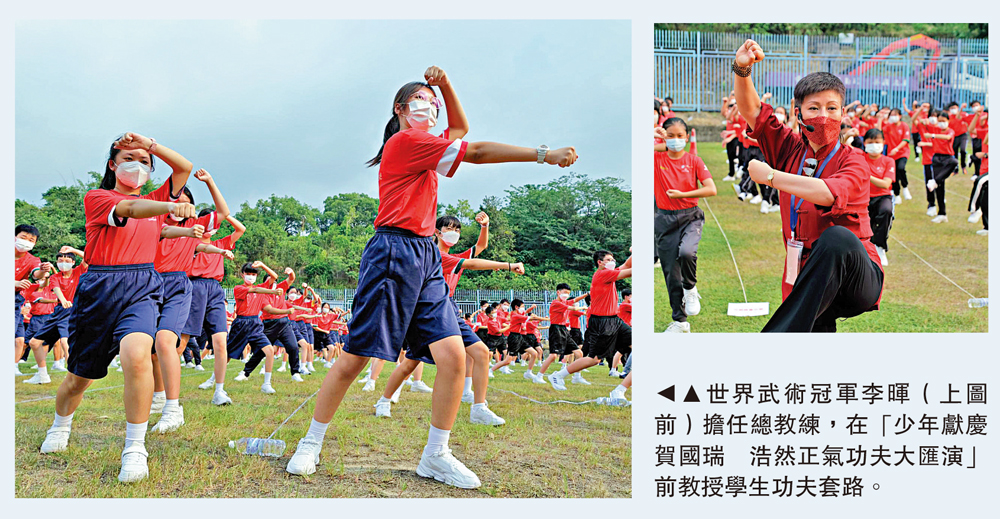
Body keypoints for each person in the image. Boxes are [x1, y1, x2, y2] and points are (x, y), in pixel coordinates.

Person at [284, 66, 576, 488]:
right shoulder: (405, 142)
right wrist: (542, 154)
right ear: (400, 109)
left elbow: (459, 126)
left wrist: (445, 86)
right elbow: (472, 149)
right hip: (393, 252)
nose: (431, 108)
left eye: (432, 103)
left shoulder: (427, 142)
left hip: (425, 255)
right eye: (422, 100)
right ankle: (311, 442)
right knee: (355, 357)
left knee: (454, 356)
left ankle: (436, 455)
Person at [39, 132, 195, 483]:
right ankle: (60, 425)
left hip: (142, 285)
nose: (136, 165)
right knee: (79, 379)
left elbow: (184, 167)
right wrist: (170, 208)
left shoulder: (156, 197)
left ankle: (134, 448)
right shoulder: (99, 197)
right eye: (128, 158)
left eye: (144, 161)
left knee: (137, 353)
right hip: (100, 288)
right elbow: (131, 209)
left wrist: (150, 144)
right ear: (113, 164)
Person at [732, 40, 884, 333]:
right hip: (806, 272)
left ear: (843, 114)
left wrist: (771, 177)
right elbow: (752, 111)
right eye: (814, 108)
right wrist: (742, 69)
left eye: (832, 108)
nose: (823, 117)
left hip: (856, 278)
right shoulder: (790, 149)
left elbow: (828, 192)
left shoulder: (854, 161)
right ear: (798, 111)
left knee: (836, 238)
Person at [375, 213, 515, 425]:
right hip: (429, 311)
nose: (455, 233)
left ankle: (479, 408)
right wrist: (508, 265)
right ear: (437, 232)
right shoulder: (433, 255)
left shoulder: (456, 256)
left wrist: (485, 226)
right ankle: (384, 400)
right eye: (450, 229)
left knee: (481, 352)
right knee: (410, 362)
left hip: (450, 308)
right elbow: (471, 263)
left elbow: (480, 247)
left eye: (458, 230)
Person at [148, 169, 232, 432]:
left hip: (178, 285)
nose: (180, 208)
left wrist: (210, 181)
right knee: (151, 351)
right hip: (150, 283)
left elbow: (222, 212)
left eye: (185, 204)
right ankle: (160, 396)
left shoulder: (195, 228)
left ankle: (173, 408)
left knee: (166, 341)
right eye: (175, 203)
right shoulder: (155, 222)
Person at [653, 117, 716, 333]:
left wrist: (684, 194)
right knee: (671, 273)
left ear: (687, 138)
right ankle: (680, 322)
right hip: (664, 220)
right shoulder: (656, 158)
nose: (675, 140)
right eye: (671, 136)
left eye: (680, 136)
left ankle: (690, 287)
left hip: (690, 216)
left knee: (687, 252)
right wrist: (656, 134)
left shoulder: (694, 161)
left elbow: (711, 189)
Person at [549, 250, 631, 390]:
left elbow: (626, 264)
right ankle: (558, 375)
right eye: (609, 259)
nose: (613, 262)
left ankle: (621, 390)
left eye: (613, 259)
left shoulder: (608, 273)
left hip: (614, 320)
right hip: (602, 323)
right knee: (594, 359)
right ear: (600, 262)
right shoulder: (603, 274)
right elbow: (630, 270)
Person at [191, 214, 245, 404]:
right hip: (194, 285)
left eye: (214, 224)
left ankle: (219, 391)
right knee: (181, 341)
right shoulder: (190, 239)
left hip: (215, 289)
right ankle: (162, 391)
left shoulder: (221, 242)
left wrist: (225, 215)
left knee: (221, 341)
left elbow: (241, 230)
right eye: (207, 222)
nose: (210, 227)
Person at [24, 247, 89, 381]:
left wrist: (72, 250)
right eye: (60, 260)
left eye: (66, 260)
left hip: (73, 310)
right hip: (59, 310)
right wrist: (64, 300)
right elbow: (56, 289)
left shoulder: (78, 272)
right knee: (34, 343)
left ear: (73, 262)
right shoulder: (55, 277)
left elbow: (88, 258)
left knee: (66, 342)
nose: (63, 263)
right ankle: (42, 375)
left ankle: (74, 376)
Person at [227, 262, 284, 394]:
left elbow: (274, 276)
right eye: (248, 274)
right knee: (228, 354)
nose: (251, 277)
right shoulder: (239, 288)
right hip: (241, 323)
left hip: (255, 323)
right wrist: (273, 291)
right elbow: (255, 290)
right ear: (242, 275)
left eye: (253, 274)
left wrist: (263, 265)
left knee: (269, 350)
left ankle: (266, 384)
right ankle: (214, 379)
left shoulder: (260, 288)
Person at [15, 224, 52, 376]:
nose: (27, 242)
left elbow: (37, 274)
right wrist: (14, 282)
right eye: (23, 238)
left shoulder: (33, 260)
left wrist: (43, 270)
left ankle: (14, 366)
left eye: (31, 240)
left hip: (15, 300)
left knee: (19, 340)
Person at [535, 283, 588, 383]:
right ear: (558, 292)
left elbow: (575, 300)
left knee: (579, 353)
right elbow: (573, 307)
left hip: (564, 329)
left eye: (568, 293)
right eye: (564, 293)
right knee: (553, 356)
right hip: (556, 329)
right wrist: (580, 308)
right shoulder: (556, 303)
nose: (566, 295)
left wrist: (587, 294)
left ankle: (577, 377)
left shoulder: (565, 302)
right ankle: (539, 376)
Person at [862, 129, 896, 266]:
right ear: (864, 143)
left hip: (883, 196)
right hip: (864, 197)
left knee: (886, 212)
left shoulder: (888, 161)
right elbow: (844, 148)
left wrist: (865, 175)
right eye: (870, 142)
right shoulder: (860, 158)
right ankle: (865, 250)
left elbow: (886, 183)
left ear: (883, 143)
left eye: (877, 142)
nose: (874, 145)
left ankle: (880, 247)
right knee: (865, 224)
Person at [920, 110, 959, 224]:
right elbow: (922, 124)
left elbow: (947, 138)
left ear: (948, 121)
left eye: (944, 121)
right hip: (937, 158)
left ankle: (934, 181)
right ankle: (942, 213)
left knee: (954, 162)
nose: (941, 123)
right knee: (940, 188)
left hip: (947, 157)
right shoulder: (935, 128)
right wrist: (924, 120)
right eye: (939, 121)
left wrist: (932, 135)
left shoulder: (950, 131)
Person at [880, 108, 912, 204]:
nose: (893, 117)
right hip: (891, 154)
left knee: (901, 168)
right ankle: (897, 194)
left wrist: (897, 149)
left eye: (895, 114)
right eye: (891, 115)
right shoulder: (889, 126)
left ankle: (905, 187)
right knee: (894, 175)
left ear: (900, 116)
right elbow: (879, 130)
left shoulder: (904, 126)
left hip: (902, 152)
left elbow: (905, 140)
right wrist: (879, 118)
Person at [947, 102, 974, 174]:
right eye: (952, 108)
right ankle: (955, 169)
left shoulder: (963, 114)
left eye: (955, 108)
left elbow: (959, 117)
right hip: (954, 136)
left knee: (963, 150)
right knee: (954, 152)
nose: (953, 110)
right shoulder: (949, 117)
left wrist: (961, 109)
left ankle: (963, 166)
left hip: (963, 135)